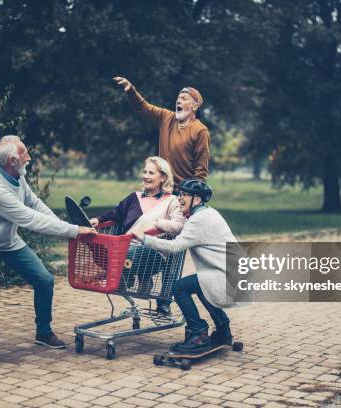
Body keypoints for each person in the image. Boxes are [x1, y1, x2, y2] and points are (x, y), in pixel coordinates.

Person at [0, 135, 97, 368]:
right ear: (12, 160)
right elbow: (31, 220)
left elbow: (35, 204)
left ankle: (43, 332)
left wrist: (66, 227)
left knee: (44, 280)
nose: (29, 157)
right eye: (25, 154)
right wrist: (74, 231)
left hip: (9, 242)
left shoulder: (17, 177)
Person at [134, 179, 239, 353]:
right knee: (202, 285)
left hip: (226, 275)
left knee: (179, 287)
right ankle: (223, 330)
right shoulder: (209, 213)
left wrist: (144, 239)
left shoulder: (198, 220)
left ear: (196, 199)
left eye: (184, 194)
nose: (179, 198)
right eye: (179, 193)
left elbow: (175, 247)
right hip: (232, 273)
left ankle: (198, 333)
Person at [90, 156, 185, 314]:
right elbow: (116, 213)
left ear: (163, 177)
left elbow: (179, 226)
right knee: (103, 249)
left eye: (151, 173)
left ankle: (127, 277)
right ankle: (128, 277)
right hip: (127, 248)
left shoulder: (172, 201)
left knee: (123, 253)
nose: (146, 176)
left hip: (153, 252)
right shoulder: (134, 197)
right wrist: (98, 220)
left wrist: (158, 223)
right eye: (145, 172)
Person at [113, 77, 210, 185]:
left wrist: (195, 194)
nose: (178, 101)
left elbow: (201, 171)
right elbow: (143, 107)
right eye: (178, 98)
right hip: (162, 188)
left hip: (184, 192)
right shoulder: (166, 117)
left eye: (184, 98)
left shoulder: (201, 131)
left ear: (195, 106)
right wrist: (131, 91)